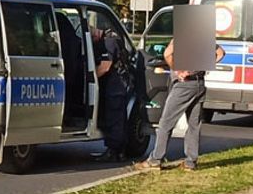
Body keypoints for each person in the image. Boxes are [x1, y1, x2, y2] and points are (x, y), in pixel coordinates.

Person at [136, 37, 225, 171]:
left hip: (184, 85)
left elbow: (167, 54)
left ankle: (155, 160)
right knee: (194, 124)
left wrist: (178, 70)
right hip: (200, 84)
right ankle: (190, 162)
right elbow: (221, 53)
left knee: (166, 122)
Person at [91, 26, 129, 162]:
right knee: (119, 119)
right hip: (118, 84)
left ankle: (113, 151)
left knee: (114, 119)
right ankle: (120, 152)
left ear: (95, 34)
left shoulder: (109, 41)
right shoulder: (113, 38)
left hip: (115, 86)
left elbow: (105, 66)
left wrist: (90, 76)